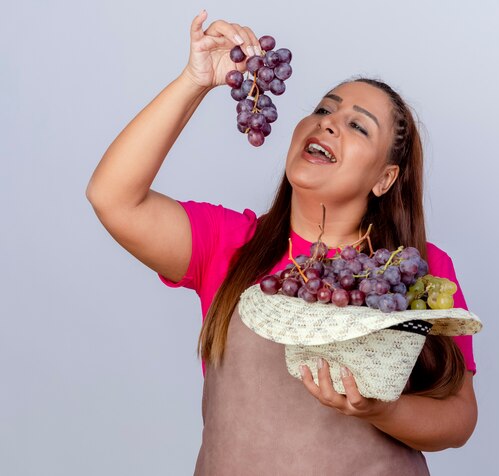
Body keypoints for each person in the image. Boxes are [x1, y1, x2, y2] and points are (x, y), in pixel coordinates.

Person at [86, 10, 478, 475]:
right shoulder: (230, 244)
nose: (329, 123)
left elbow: (457, 419)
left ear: (385, 178)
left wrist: (382, 410)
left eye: (358, 126)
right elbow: (112, 197)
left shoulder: (410, 270)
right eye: (324, 110)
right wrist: (194, 80)